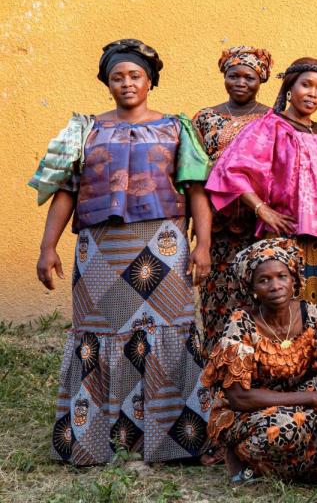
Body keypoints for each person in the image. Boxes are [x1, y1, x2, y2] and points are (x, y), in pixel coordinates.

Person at [30, 38, 213, 464]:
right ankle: (94, 440)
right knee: (100, 334)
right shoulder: (85, 129)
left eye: (135, 76)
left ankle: (174, 441)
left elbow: (196, 190)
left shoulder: (176, 128)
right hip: (100, 249)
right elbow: (65, 192)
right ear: (107, 83)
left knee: (168, 330)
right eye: (118, 77)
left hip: (162, 247)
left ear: (150, 82)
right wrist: (47, 247)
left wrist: (202, 245)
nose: (126, 83)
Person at [205, 58, 317, 337]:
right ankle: (280, 371)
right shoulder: (269, 127)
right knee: (282, 306)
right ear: (290, 87)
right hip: (284, 236)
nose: (313, 94)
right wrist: (262, 209)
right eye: (306, 85)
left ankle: (316, 368)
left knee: (316, 306)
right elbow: (230, 171)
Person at [201, 238, 317, 484]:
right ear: (251, 288)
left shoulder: (309, 313)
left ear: (294, 280)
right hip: (249, 413)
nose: (275, 286)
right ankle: (246, 460)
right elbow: (239, 397)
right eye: (264, 280)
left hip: (298, 403)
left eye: (282, 276)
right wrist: (314, 398)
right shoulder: (241, 324)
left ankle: (307, 464)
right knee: (285, 429)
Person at [192, 46, 275, 358]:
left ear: (261, 79)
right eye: (233, 75)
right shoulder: (204, 119)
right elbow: (194, 173)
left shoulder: (273, 117)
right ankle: (217, 373)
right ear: (224, 77)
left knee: (259, 300)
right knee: (217, 303)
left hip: (260, 229)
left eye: (249, 77)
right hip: (216, 228)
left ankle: (258, 373)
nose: (241, 82)